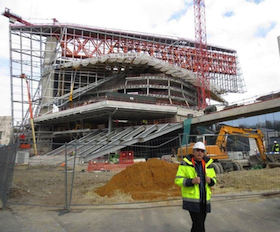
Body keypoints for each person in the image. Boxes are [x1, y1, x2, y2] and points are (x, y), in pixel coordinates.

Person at [174, 141, 216, 232]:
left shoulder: (209, 164)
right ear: (193, 152)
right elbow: (178, 180)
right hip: (192, 200)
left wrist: (211, 181)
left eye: (202, 151)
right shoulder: (185, 164)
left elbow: (214, 180)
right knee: (200, 225)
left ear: (204, 153)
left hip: (204, 199)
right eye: (197, 150)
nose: (200, 152)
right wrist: (191, 181)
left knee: (198, 225)